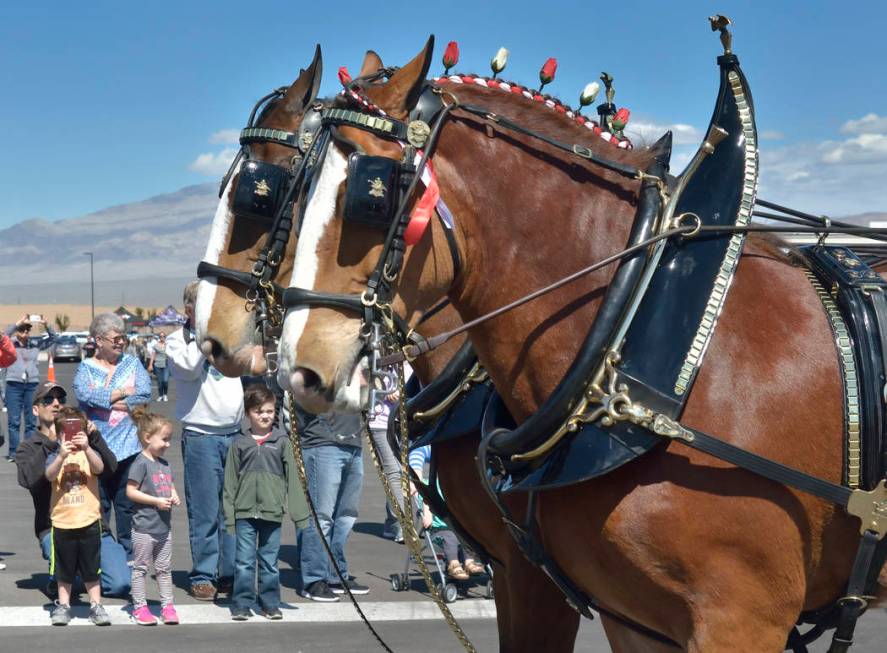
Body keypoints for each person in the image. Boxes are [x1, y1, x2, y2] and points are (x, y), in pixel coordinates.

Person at [16, 381, 130, 598]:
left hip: (92, 524)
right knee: (71, 579)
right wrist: (52, 444)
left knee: (120, 584)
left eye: (60, 399)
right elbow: (28, 479)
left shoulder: (83, 439)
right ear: (35, 409)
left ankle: (75, 572)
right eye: (48, 400)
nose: (56, 404)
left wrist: (94, 439)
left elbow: (111, 469)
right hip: (54, 527)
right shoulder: (29, 447)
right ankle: (71, 573)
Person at [168, 280, 243, 601]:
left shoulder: (230, 337)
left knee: (233, 510)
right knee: (205, 510)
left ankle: (230, 572)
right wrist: (204, 335)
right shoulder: (177, 341)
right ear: (190, 310)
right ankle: (203, 574)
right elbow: (186, 369)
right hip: (201, 437)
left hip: (234, 433)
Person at [224, 385, 309, 620]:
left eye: (270, 411)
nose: (265, 416)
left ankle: (270, 603)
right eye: (259, 411)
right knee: (243, 562)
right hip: (244, 514)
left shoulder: (282, 442)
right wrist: (230, 517)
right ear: (248, 413)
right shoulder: (238, 443)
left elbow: (294, 480)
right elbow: (230, 483)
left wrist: (300, 515)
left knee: (270, 563)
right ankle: (241, 603)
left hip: (272, 513)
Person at [73, 313, 151, 558]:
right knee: (99, 509)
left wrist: (115, 402)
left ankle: (130, 563)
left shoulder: (132, 363)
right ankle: (102, 563)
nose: (121, 343)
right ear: (99, 340)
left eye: (123, 338)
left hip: (129, 449)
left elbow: (144, 393)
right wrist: (120, 392)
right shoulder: (86, 368)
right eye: (116, 338)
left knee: (128, 510)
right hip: (96, 451)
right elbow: (85, 395)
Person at [43, 406, 111, 626]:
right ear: (60, 434)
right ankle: (63, 605)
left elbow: (100, 468)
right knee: (64, 568)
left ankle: (96, 605)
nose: (72, 436)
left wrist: (88, 447)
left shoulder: (88, 454)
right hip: (63, 522)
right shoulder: (56, 455)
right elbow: (49, 475)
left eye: (77, 430)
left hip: (89, 519)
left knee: (92, 567)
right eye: (67, 431)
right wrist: (62, 454)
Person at [294, 405, 368, 602]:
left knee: (346, 515)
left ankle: (335, 574)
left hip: (352, 441)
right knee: (321, 516)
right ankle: (313, 580)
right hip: (320, 441)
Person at [126, 406, 181, 626]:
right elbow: (130, 491)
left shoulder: (164, 464)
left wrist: (173, 494)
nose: (168, 444)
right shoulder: (140, 463)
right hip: (144, 528)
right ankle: (140, 607)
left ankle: (167, 606)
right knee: (140, 568)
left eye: (169, 439)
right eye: (164, 439)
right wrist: (156, 501)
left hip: (163, 528)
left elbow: (169, 484)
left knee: (164, 569)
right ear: (148, 438)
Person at [409, 445, 484, 581]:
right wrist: (428, 514)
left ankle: (469, 562)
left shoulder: (459, 486)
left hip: (458, 525)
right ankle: (453, 564)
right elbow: (427, 500)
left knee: (468, 535)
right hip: (439, 528)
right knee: (450, 537)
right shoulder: (430, 484)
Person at [367, 365, 412, 543]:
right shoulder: (382, 361)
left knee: (403, 471)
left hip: (403, 423)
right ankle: (403, 524)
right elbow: (369, 385)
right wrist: (385, 393)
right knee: (394, 471)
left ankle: (391, 523)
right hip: (381, 423)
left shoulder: (412, 364)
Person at [4, 314, 56, 461]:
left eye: (27, 330)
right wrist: (16, 324)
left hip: (31, 385)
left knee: (31, 421)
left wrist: (46, 325)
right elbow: (3, 336)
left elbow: (53, 338)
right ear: (17, 332)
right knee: (14, 421)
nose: (25, 333)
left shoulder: (35, 343)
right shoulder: (10, 343)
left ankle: (28, 451)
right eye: (22, 330)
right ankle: (14, 452)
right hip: (13, 385)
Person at [148, 332, 170, 402]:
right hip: (157, 365)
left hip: (166, 365)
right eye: (161, 336)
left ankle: (165, 395)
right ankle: (160, 395)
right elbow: (153, 355)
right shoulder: (156, 345)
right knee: (160, 382)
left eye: (163, 336)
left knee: (165, 381)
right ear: (159, 337)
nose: (162, 338)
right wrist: (150, 364)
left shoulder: (168, 345)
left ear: (165, 337)